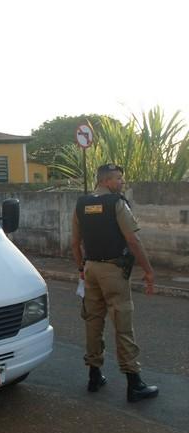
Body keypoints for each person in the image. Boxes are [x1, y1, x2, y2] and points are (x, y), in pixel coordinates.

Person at [72, 163, 159, 403]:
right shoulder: (116, 203)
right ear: (107, 181)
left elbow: (75, 242)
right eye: (119, 179)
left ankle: (94, 376)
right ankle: (134, 383)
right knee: (122, 324)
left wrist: (81, 268)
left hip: (90, 269)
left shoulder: (82, 204)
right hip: (113, 270)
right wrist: (149, 271)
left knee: (93, 322)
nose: (122, 183)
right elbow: (133, 239)